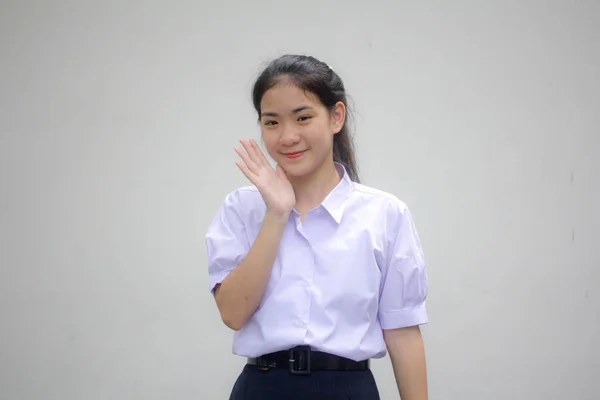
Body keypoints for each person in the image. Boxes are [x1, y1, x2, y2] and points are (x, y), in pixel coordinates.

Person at [205, 54, 429, 399]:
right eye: (272, 122)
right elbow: (233, 313)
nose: (288, 136)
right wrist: (277, 215)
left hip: (348, 388)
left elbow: (402, 332)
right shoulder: (242, 208)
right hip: (262, 388)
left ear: (336, 116)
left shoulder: (384, 214)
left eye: (303, 117)